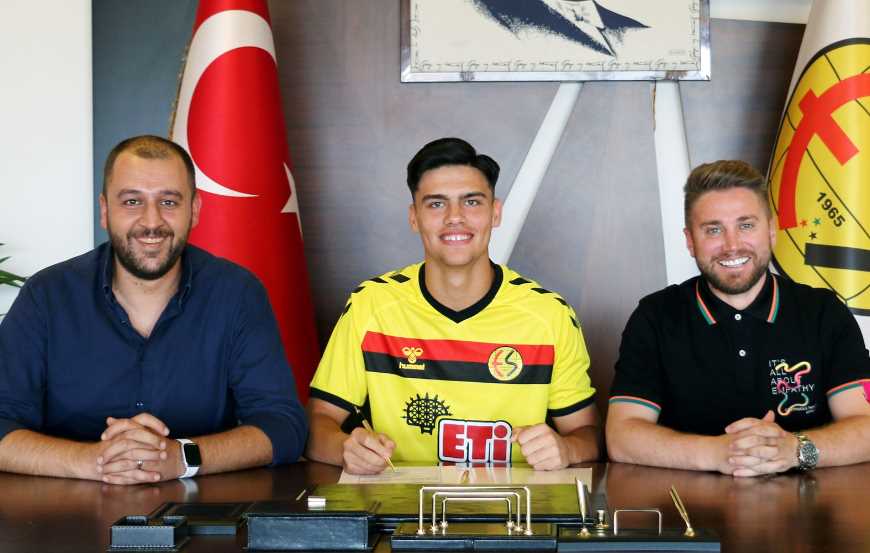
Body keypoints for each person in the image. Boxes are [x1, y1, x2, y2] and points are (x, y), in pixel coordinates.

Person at [0, 135, 307, 485]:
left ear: (195, 210)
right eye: (132, 201)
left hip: (200, 511)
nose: (151, 221)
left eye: (169, 201)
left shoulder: (237, 293)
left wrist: (182, 457)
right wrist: (90, 461)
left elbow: (283, 426)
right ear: (105, 211)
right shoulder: (47, 296)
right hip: (65, 510)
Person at [305, 137, 599, 474]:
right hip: (398, 503)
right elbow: (316, 425)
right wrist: (345, 449)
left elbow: (588, 434)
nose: (455, 217)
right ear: (414, 217)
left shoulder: (549, 315)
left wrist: (567, 449)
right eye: (436, 204)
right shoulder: (370, 305)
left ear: (495, 213)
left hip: (516, 504)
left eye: (471, 202)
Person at [607, 160, 870, 476]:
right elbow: (621, 437)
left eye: (746, 225)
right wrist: (718, 453)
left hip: (810, 504)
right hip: (688, 506)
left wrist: (795, 449)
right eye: (713, 230)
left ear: (771, 230)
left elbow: (865, 427)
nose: (732, 246)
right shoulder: (655, 317)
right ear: (690, 241)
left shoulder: (823, 312)